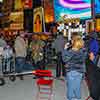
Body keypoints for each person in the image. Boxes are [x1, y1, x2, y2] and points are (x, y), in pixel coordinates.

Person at [62, 35, 87, 100]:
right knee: (77, 86)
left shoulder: (71, 51)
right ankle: (78, 98)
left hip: (71, 71)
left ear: (74, 42)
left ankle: (71, 98)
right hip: (80, 71)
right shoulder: (84, 51)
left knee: (70, 86)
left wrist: (64, 49)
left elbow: (64, 59)